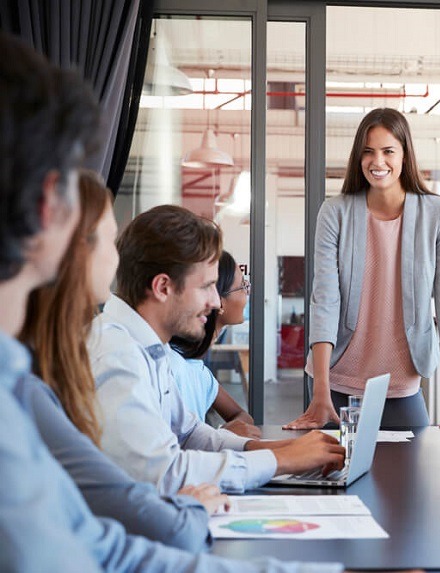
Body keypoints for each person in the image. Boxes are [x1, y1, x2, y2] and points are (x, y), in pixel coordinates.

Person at [0, 32, 342, 573]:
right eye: (105, 239)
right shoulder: (75, 368)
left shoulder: (21, 382)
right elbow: (147, 507)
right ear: (49, 204)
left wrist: (266, 457)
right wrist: (270, 461)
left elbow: (108, 541)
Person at [18, 169, 216, 549]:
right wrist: (185, 510)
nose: (118, 256)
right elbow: (149, 519)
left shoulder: (44, 365)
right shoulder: (33, 380)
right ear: (71, 248)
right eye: (110, 239)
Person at [88, 204, 345, 495]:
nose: (215, 302)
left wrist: (281, 448)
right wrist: (280, 460)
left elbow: (189, 434)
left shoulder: (147, 347)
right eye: (207, 286)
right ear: (162, 287)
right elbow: (163, 474)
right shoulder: (116, 355)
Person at [285, 108, 440, 429]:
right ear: (358, 157)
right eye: (368, 152)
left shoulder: (437, 214)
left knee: (411, 475)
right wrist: (320, 391)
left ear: (405, 155)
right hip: (337, 383)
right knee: (334, 477)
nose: (377, 162)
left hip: (402, 385)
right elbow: (324, 300)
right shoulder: (334, 213)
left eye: (388, 151)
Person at [170, 250, 260, 439]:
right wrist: (219, 436)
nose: (247, 294)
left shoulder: (198, 369)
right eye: (243, 286)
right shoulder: (173, 365)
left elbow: (243, 417)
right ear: (218, 299)